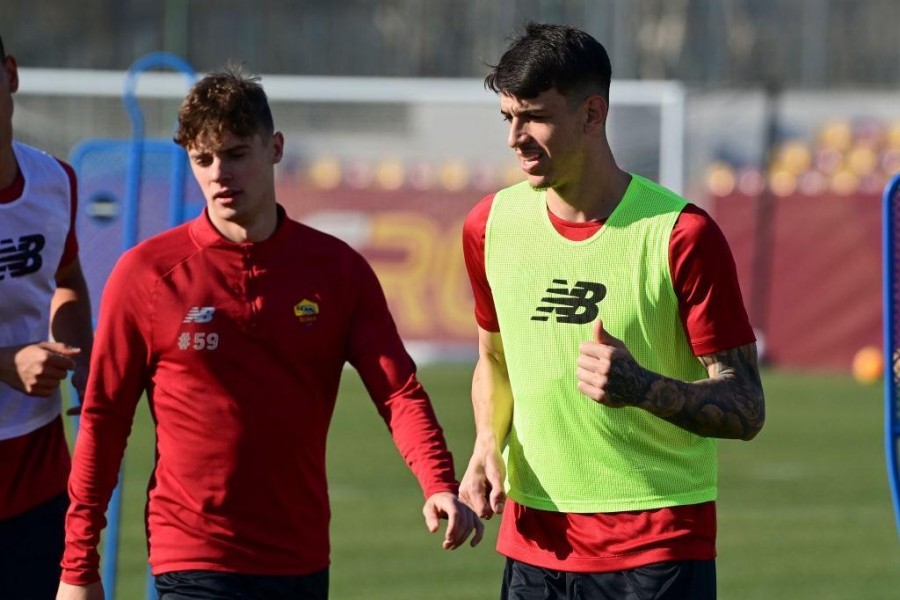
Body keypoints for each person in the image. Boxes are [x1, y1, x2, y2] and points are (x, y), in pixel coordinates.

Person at [56, 66, 482, 600]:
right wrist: (78, 567)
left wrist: (438, 482)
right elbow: (104, 418)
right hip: (193, 557)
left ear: (275, 147)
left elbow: (397, 391)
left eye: (235, 154)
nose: (218, 174)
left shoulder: (337, 270)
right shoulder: (146, 274)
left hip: (299, 559)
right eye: (202, 160)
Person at [458, 23, 765, 600]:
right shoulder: (489, 226)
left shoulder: (681, 235)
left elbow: (747, 405)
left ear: (592, 113)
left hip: (656, 546)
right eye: (508, 118)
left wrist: (642, 387)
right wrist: (483, 447)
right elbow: (492, 361)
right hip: (534, 542)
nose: (515, 138)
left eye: (536, 117)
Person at [0, 34, 94, 600]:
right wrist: (4, 362)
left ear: (10, 74)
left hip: (37, 471)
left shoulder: (55, 183)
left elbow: (67, 281)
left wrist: (80, 360)